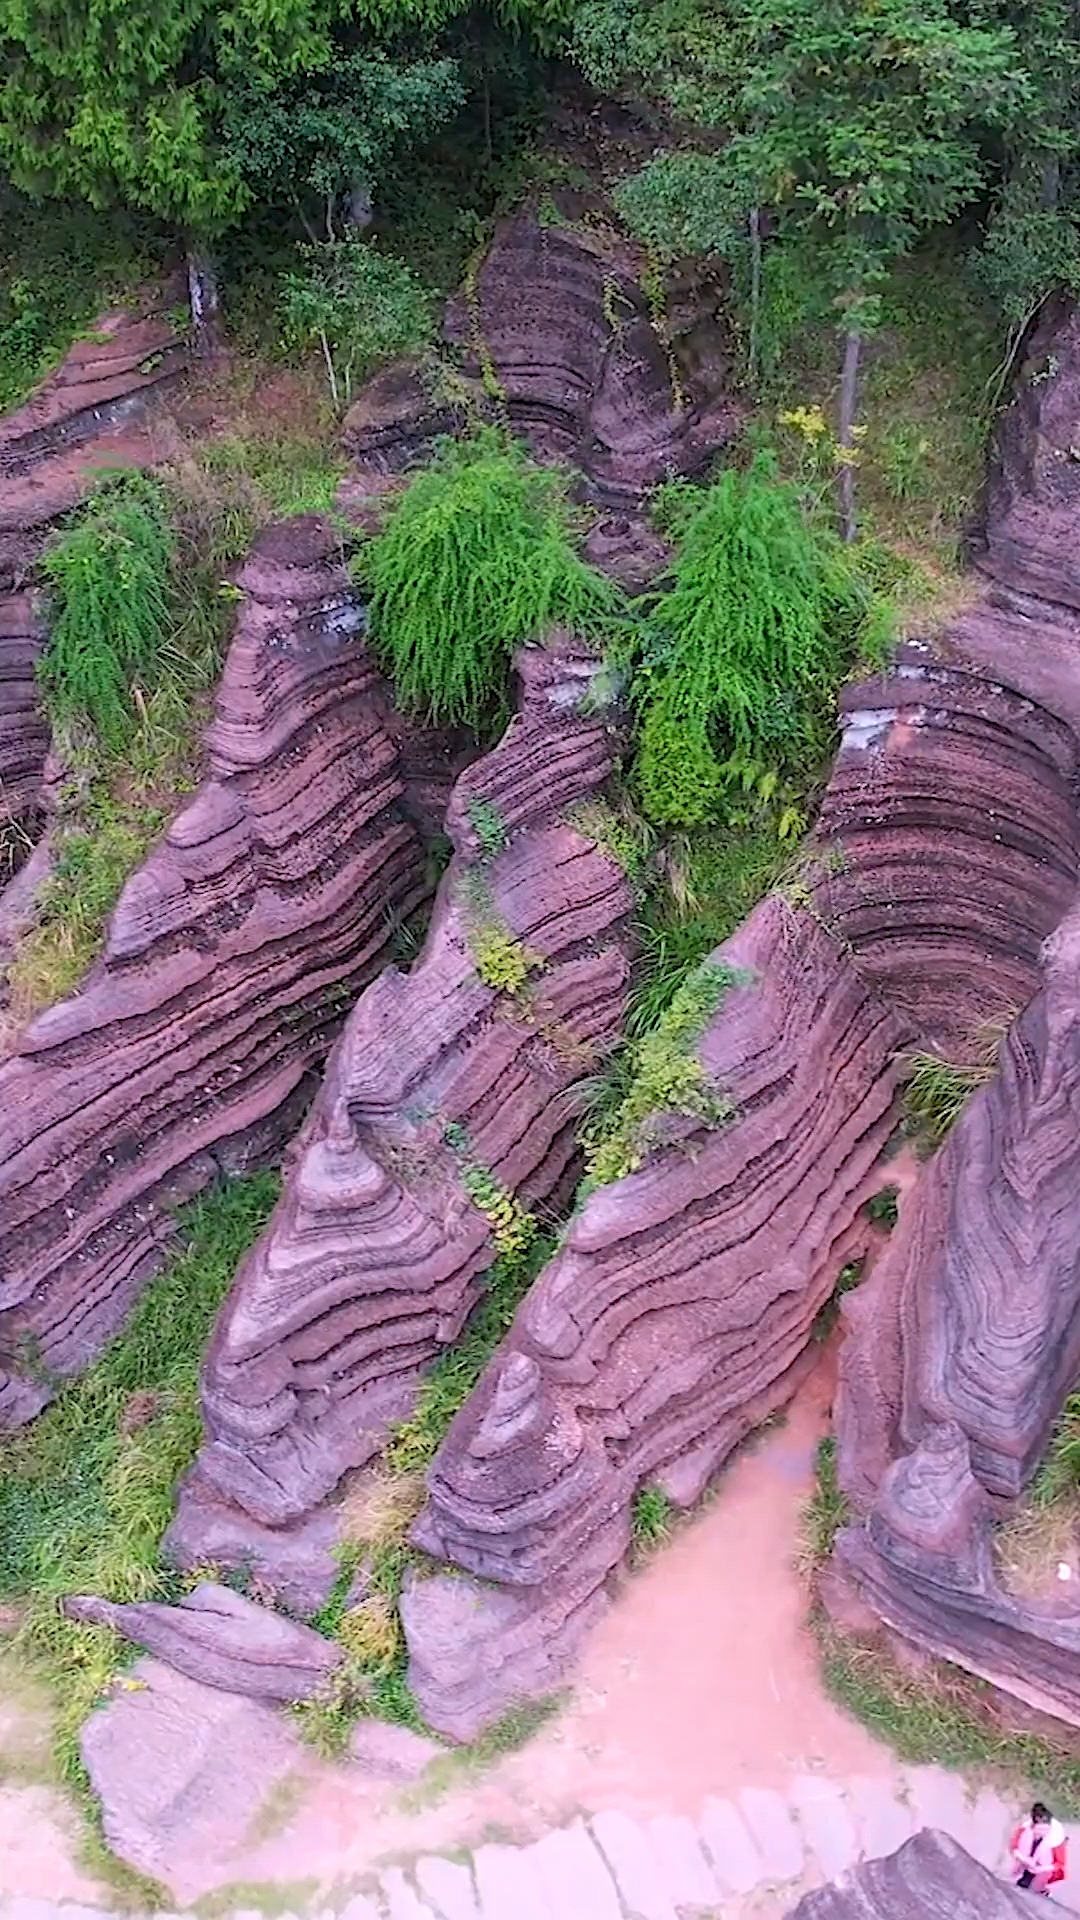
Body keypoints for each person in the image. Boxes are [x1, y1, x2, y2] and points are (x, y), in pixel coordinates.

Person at [1011, 1802, 1068, 1896]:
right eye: (1040, 1830)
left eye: (1046, 1830)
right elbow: (1014, 1846)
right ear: (1033, 1827)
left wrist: (1041, 1869)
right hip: (1025, 1865)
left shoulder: (1056, 1839)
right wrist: (1023, 1859)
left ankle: (1044, 1891)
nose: (1043, 1833)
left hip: (1044, 1869)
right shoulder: (1024, 1830)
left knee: (1036, 1890)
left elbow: (1060, 1864)